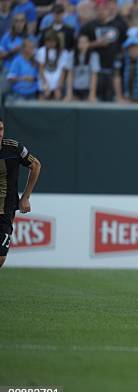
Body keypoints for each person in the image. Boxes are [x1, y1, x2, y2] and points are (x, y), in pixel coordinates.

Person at [0, 119, 42, 268]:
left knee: (1, 258)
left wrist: (25, 197)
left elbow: (36, 165)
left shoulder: (14, 148)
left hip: (6, 210)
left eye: (1, 129)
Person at [80, 0, 128, 101]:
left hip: (114, 69)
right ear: (95, 11)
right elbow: (80, 45)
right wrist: (97, 43)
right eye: (99, 10)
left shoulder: (118, 24)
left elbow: (126, 42)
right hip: (96, 71)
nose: (101, 12)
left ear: (108, 10)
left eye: (104, 9)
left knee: (113, 98)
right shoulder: (89, 26)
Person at [113, 36, 138, 103]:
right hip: (125, 97)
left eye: (137, 47)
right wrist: (119, 97)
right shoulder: (120, 59)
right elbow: (117, 78)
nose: (135, 50)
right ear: (127, 48)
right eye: (132, 47)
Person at [36, 30, 71, 101]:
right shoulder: (41, 51)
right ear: (45, 42)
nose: (50, 44)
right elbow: (41, 70)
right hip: (44, 86)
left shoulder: (64, 53)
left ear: (56, 41)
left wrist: (58, 88)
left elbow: (63, 72)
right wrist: (45, 86)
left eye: (52, 41)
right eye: (48, 41)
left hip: (57, 86)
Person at [66, 34, 100, 102]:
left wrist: (92, 94)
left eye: (85, 42)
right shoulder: (72, 55)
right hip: (75, 89)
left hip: (87, 89)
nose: (82, 44)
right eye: (80, 42)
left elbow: (94, 76)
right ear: (77, 44)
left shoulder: (94, 56)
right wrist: (69, 93)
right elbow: (70, 75)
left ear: (88, 44)